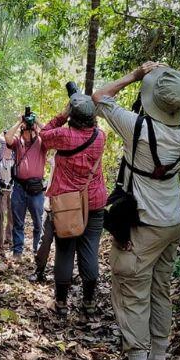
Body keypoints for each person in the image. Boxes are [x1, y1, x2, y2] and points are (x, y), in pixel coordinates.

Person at [92, 62, 180, 360]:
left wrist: (136, 75)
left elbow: (99, 96)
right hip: (173, 223)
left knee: (133, 293)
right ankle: (158, 357)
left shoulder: (136, 127)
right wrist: (168, 78)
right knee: (160, 289)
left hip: (144, 225)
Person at [39, 93, 107, 316]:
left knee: (65, 251)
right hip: (94, 203)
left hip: (67, 205)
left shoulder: (63, 135)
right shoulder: (100, 137)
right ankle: (88, 301)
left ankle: (60, 303)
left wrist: (62, 115)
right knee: (90, 251)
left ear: (73, 115)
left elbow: (43, 134)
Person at [4, 110, 48, 258]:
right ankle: (17, 251)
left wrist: (38, 121)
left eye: (30, 128)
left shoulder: (42, 142)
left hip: (36, 189)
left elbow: (52, 134)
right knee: (18, 221)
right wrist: (18, 121)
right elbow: (8, 138)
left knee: (38, 222)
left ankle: (37, 249)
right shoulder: (18, 142)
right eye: (26, 128)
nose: (28, 131)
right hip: (19, 187)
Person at [28, 155, 56, 283]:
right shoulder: (57, 154)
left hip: (68, 205)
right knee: (45, 238)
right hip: (51, 203)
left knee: (65, 241)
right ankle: (39, 270)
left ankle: (63, 275)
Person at [0, 138, 15, 245]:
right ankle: (0, 237)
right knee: (0, 215)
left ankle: (9, 237)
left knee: (11, 215)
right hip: (2, 190)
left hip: (13, 189)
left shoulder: (15, 158)